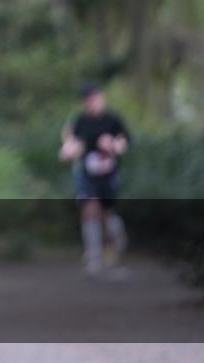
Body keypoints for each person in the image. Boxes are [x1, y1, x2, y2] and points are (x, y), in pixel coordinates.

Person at [59, 82, 130, 276]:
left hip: (108, 175)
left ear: (101, 98)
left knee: (106, 216)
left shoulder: (112, 119)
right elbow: (73, 143)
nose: (91, 102)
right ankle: (94, 256)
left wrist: (113, 145)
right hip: (88, 175)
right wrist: (69, 150)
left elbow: (124, 143)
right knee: (89, 209)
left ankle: (115, 241)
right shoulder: (80, 121)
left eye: (94, 98)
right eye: (87, 99)